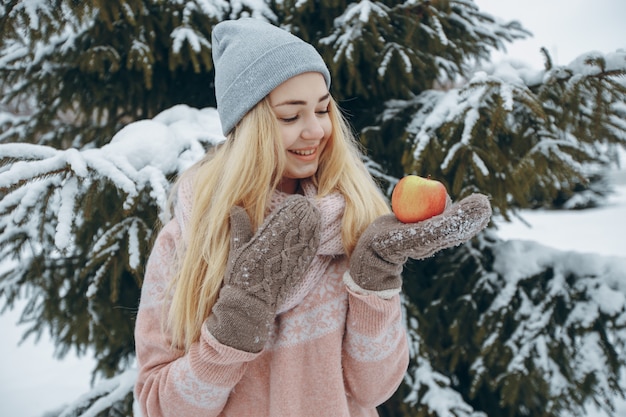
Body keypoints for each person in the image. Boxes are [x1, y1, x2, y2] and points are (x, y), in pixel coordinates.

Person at [134, 18, 492, 417]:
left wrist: (375, 281)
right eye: (290, 117)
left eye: (323, 110)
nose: (316, 130)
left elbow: (374, 388)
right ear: (248, 126)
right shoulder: (191, 240)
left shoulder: (354, 225)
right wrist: (236, 320)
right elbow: (161, 407)